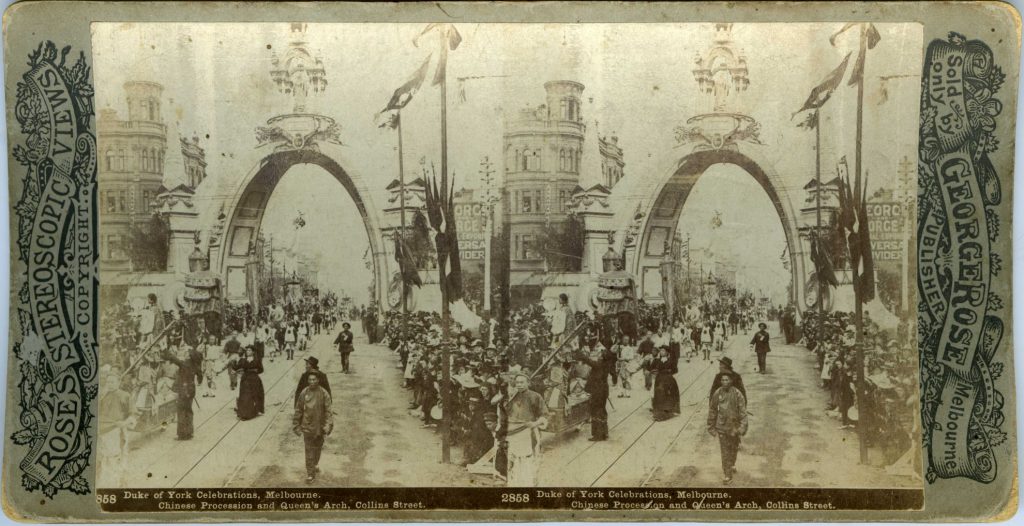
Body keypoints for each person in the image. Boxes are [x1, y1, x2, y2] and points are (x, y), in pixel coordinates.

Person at [503, 374, 546, 486]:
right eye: (517, 382)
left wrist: (535, 423)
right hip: (513, 433)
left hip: (528, 432)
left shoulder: (536, 396)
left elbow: (544, 416)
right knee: (513, 461)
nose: (519, 385)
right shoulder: (512, 397)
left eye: (522, 382)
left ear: (528, 383)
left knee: (529, 462)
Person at [293, 372, 333, 484]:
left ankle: (315, 464)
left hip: (319, 427)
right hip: (307, 427)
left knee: (318, 448)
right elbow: (298, 410)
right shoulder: (304, 393)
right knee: (309, 450)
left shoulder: (324, 393)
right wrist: (296, 425)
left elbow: (329, 411)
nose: (312, 382)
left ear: (318, 380)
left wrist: (328, 425)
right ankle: (310, 474)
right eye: (310, 380)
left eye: (314, 380)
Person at [708, 374, 747, 484]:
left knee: (733, 448)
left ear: (731, 381)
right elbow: (712, 410)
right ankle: (727, 474)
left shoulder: (737, 394)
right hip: (722, 427)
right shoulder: (718, 393)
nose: (725, 382)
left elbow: (743, 413)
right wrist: (711, 426)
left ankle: (732, 464)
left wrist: (742, 427)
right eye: (723, 380)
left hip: (734, 427)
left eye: (727, 380)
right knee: (725, 451)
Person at [574, 339, 616, 441]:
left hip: (598, 391)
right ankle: (604, 433)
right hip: (604, 390)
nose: (599, 355)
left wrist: (577, 351)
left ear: (603, 357)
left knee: (596, 410)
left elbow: (588, 360)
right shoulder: (607, 364)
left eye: (601, 354)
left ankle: (598, 435)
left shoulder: (600, 364)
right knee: (602, 410)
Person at [160, 345, 202, 440]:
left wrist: (164, 349)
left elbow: (173, 359)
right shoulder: (195, 365)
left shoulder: (185, 364)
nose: (186, 353)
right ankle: (189, 432)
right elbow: (200, 377)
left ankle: (182, 434)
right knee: (189, 411)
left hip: (184, 390)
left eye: (187, 353)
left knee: (181, 411)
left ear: (190, 356)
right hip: (191, 390)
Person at [234, 348, 265, 420]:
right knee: (245, 396)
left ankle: (256, 410)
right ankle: (245, 414)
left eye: (250, 350)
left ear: (253, 352)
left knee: (256, 394)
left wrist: (254, 371)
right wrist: (234, 362)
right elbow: (236, 367)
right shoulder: (243, 360)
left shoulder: (257, 360)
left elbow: (261, 370)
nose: (248, 352)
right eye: (247, 350)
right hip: (245, 379)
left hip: (255, 379)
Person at [650, 347, 680, 421]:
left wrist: (668, 372)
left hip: (668, 380)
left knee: (668, 394)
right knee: (659, 395)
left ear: (667, 352)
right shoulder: (657, 360)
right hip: (659, 379)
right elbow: (651, 368)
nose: (661, 352)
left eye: (663, 350)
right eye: (661, 350)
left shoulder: (671, 361)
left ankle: (667, 412)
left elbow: (675, 370)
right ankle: (659, 414)